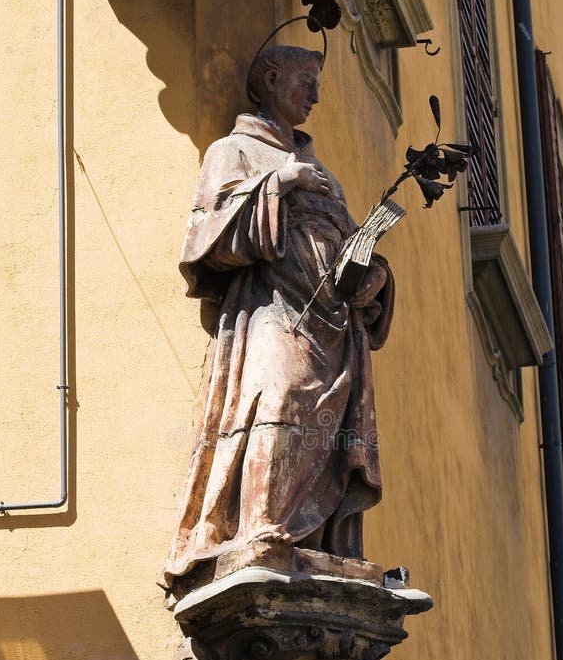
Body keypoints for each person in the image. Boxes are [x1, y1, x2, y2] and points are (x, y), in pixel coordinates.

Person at [163, 45, 394, 587]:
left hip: (333, 323)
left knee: (331, 427)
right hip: (272, 306)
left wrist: (376, 278)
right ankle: (260, 529)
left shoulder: (328, 177)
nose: (315, 95)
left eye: (317, 84)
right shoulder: (233, 151)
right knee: (281, 394)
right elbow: (206, 235)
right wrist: (281, 183)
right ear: (270, 80)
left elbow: (350, 245)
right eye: (305, 81)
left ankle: (315, 542)